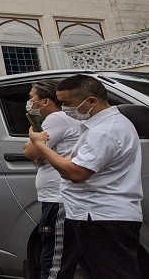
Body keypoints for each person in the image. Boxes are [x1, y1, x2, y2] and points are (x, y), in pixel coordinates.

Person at [28, 74, 143, 279]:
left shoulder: (105, 131)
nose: (64, 109)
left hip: (102, 218)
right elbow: (73, 161)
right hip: (94, 216)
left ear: (91, 101)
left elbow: (76, 173)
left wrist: (39, 145)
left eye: (66, 103)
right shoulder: (97, 126)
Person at [22, 81, 82, 279]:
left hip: (58, 199)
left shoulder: (56, 118)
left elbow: (29, 151)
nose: (29, 102)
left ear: (45, 101)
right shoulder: (66, 119)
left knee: (54, 263)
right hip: (59, 198)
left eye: (32, 98)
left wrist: (34, 141)